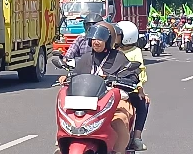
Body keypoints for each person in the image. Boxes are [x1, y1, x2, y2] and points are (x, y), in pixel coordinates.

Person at [58, 24, 139, 154]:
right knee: (68, 120)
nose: (96, 41)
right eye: (94, 38)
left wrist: (120, 80)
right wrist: (66, 78)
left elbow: (132, 75)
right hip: (86, 102)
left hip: (113, 101)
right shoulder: (86, 58)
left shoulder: (118, 57)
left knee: (120, 120)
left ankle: (119, 150)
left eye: (101, 38)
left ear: (109, 40)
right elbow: (75, 75)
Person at [116, 21, 149, 151]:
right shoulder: (112, 49)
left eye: (118, 35)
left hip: (129, 88)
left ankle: (137, 137)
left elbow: (140, 72)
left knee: (143, 104)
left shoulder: (136, 52)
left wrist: (140, 89)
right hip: (110, 88)